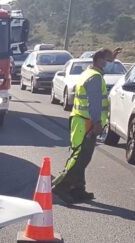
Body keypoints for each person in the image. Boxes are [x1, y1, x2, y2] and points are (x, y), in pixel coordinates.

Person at [52, 47, 122, 203]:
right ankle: (62, 186)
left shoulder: (88, 73)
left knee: (81, 156)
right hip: (87, 122)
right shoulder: (95, 77)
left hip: (81, 121)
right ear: (98, 60)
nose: (107, 63)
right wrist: (97, 122)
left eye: (108, 60)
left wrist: (112, 58)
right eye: (105, 59)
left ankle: (78, 189)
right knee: (81, 157)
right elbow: (94, 103)